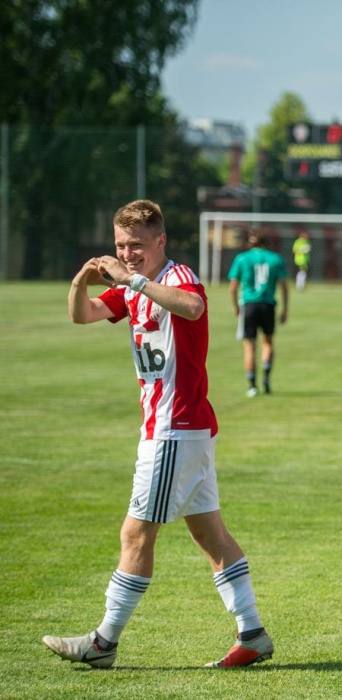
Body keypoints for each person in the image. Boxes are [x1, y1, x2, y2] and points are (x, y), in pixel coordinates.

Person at [45, 199, 273, 669]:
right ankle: (252, 634)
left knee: (135, 533)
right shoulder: (133, 288)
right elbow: (82, 315)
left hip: (176, 426)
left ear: (161, 242)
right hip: (173, 427)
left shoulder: (175, 277)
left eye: (137, 245)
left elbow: (191, 306)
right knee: (211, 535)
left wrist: (133, 279)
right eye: (121, 246)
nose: (127, 254)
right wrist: (78, 282)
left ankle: (103, 642)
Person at [229, 231, 288, 397]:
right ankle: (267, 379)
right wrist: (285, 309)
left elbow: (233, 288)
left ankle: (252, 386)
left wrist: (235, 307)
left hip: (249, 305)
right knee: (268, 343)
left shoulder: (242, 258)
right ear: (266, 243)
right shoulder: (276, 259)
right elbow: (284, 286)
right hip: (268, 305)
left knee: (249, 346)